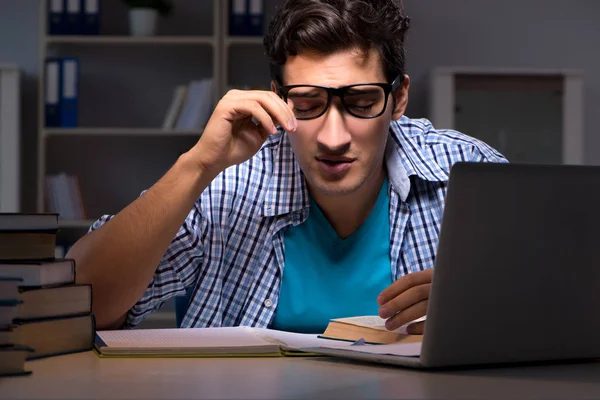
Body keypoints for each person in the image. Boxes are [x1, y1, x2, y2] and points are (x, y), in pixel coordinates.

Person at [67, 0, 507, 334]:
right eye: (308, 104)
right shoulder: (224, 183)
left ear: (399, 99)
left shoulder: (469, 173)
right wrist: (198, 163)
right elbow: (77, 307)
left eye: (361, 103)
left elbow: (562, 308)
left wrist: (479, 309)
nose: (334, 138)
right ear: (279, 98)